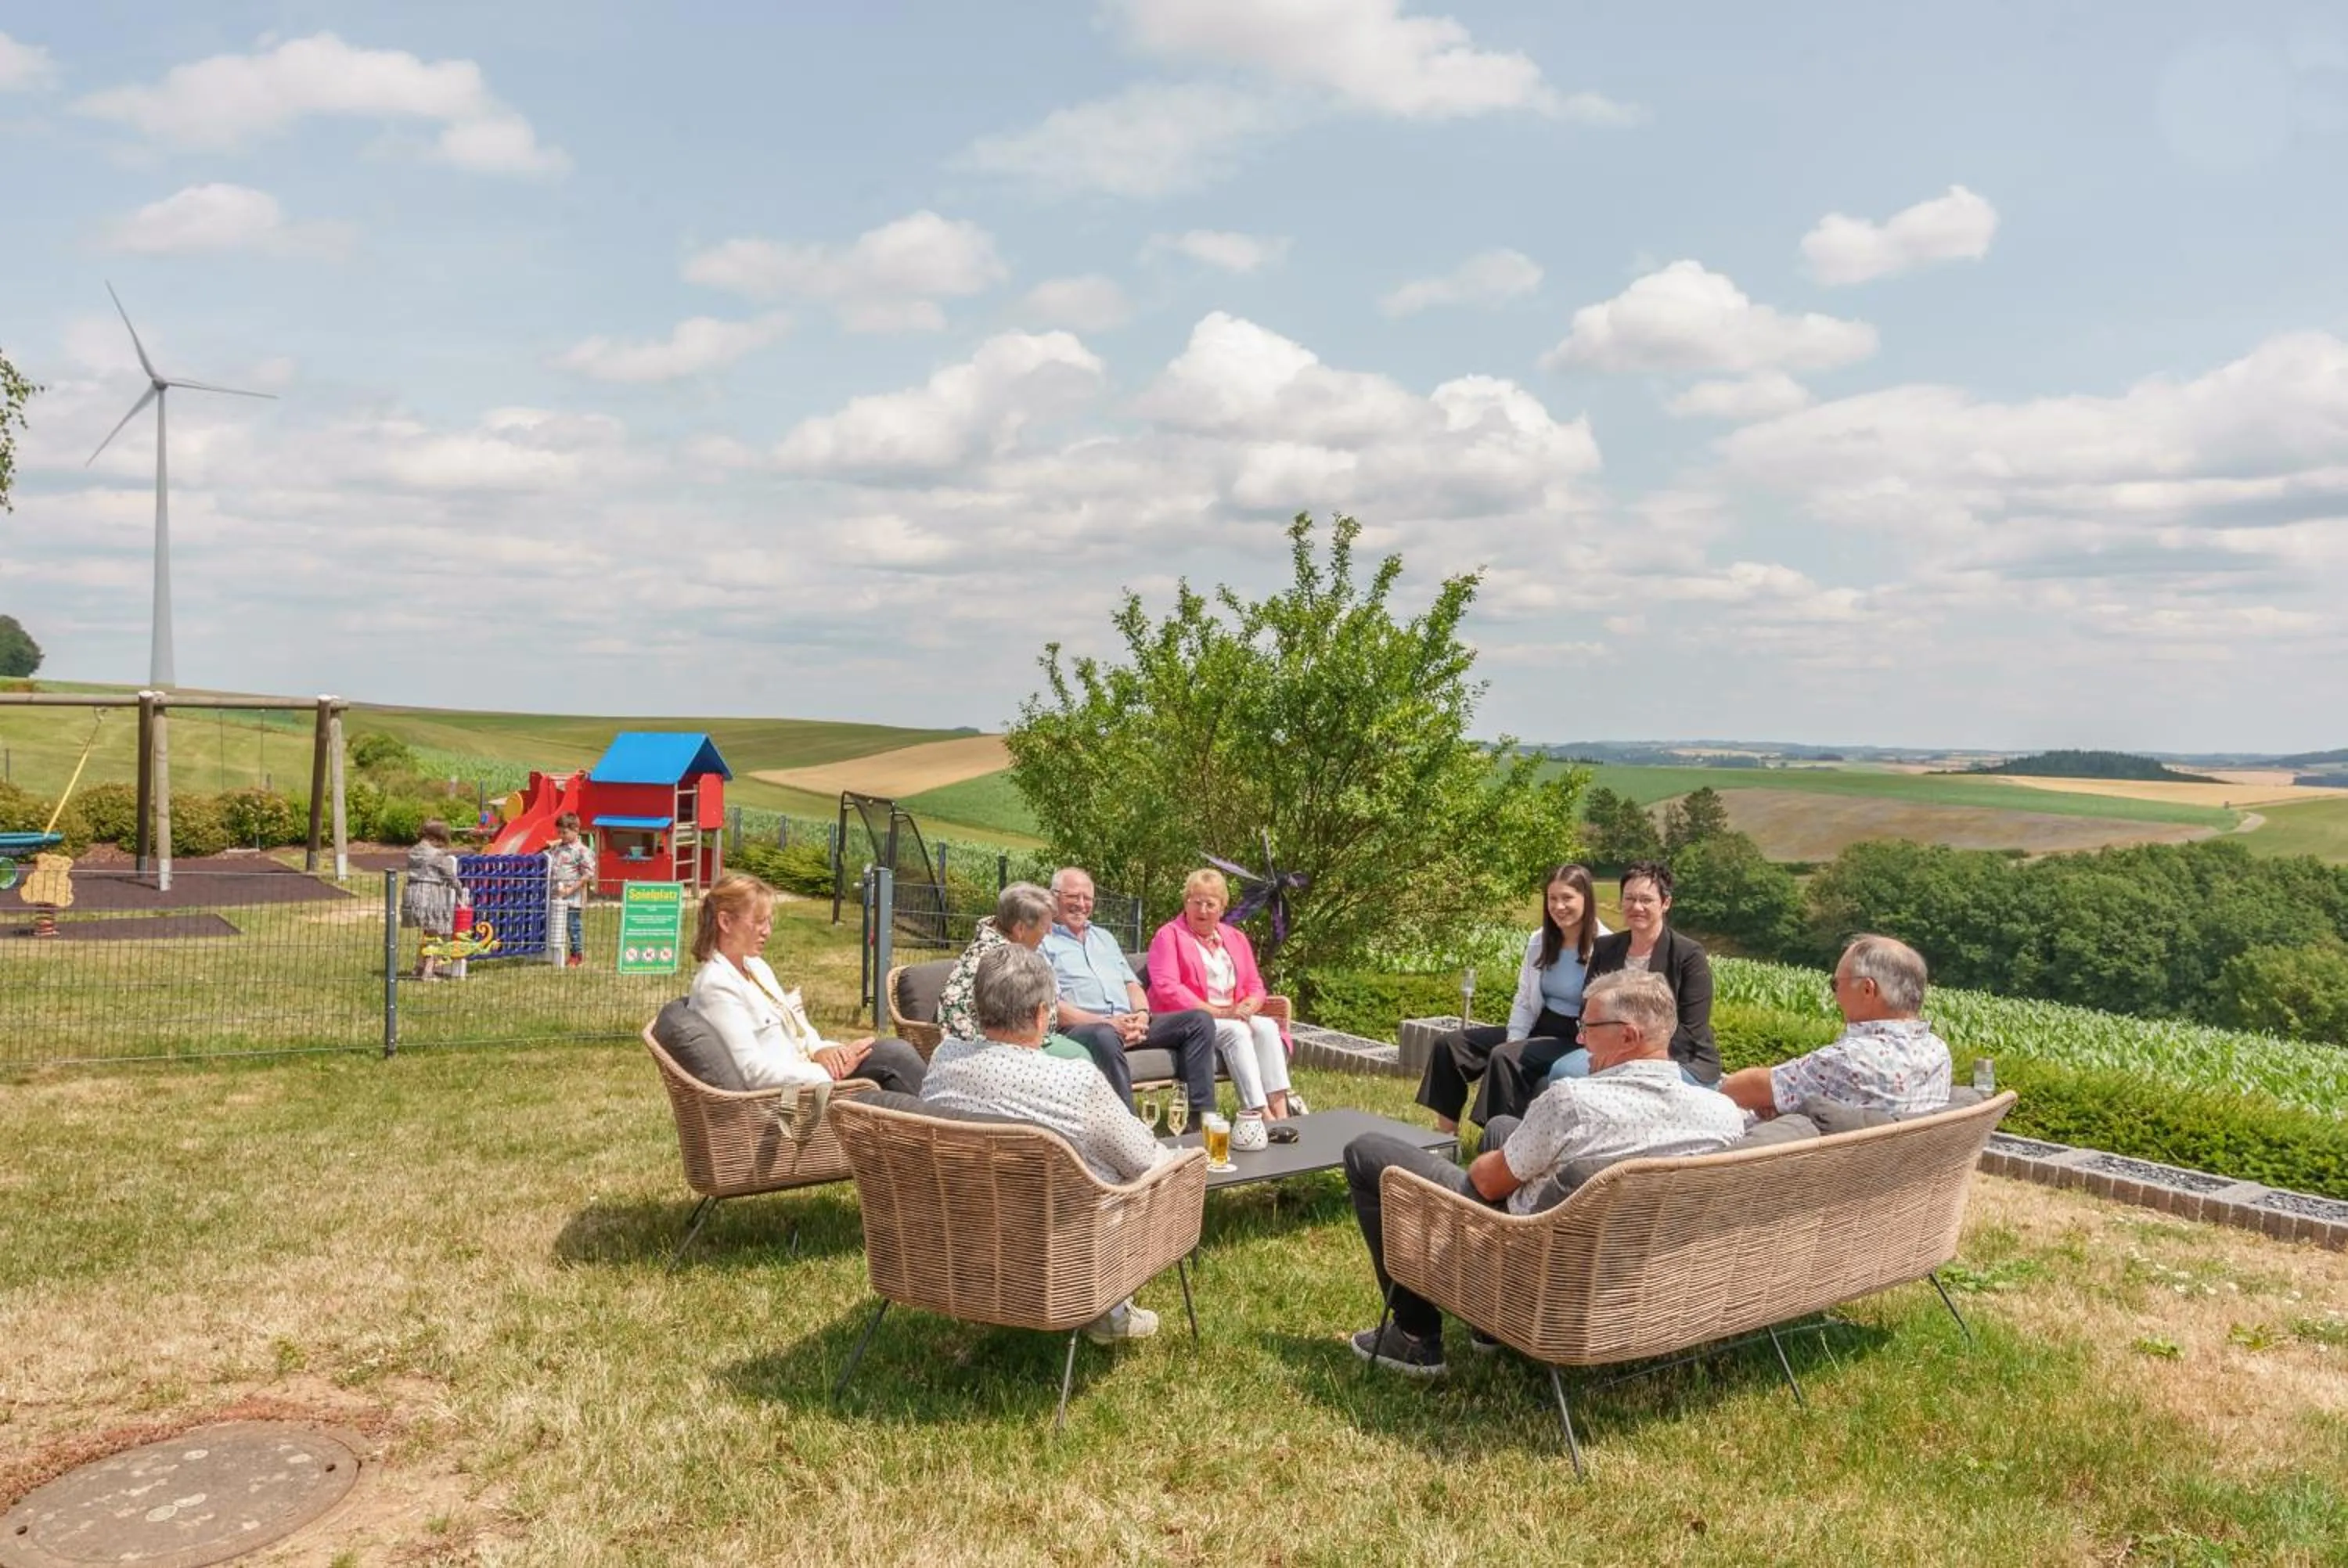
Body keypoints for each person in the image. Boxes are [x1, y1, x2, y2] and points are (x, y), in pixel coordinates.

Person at [1345, 970, 1746, 1376]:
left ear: (1628, 1037)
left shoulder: (1573, 1102)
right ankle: (1489, 1330)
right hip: (1637, 1263)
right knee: (1502, 1126)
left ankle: (1415, 1337)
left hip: (1540, 1266)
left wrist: (1495, 1165)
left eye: (1587, 1027)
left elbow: (1487, 1181)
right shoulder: (1722, 1114)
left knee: (1367, 1152)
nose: (1579, 1039)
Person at [924, 944, 1168, 1344]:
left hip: (962, 1238)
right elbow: (1141, 1159)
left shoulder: (944, 1059)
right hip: (1060, 1255)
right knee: (1155, 1164)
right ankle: (1110, 1311)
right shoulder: (1074, 1080)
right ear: (1042, 1013)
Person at [687, 872, 925, 1095]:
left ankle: (949, 1123)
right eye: (759, 921)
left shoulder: (755, 967)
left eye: (769, 922)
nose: (767, 931)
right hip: (796, 1096)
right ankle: (952, 1126)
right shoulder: (716, 987)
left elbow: (794, 1025)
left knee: (894, 1061)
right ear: (726, 922)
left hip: (809, 1074)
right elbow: (753, 1072)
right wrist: (828, 1073)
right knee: (894, 1058)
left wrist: (820, 1050)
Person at [1416, 864, 1604, 1134]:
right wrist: (1516, 1039)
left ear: (1586, 898)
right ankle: (1446, 1138)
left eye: (1567, 898)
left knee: (1505, 1057)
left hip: (1576, 1037)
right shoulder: (1539, 941)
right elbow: (1525, 999)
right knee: (1450, 1045)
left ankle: (1498, 1144)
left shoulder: (1606, 945)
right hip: (1542, 1025)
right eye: (1552, 899)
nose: (1559, 906)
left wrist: (1513, 1050)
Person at [1518, 860, 1719, 1111]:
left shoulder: (1688, 955)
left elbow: (1690, 1029)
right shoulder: (1606, 948)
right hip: (1610, 1050)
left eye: (1646, 900)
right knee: (1563, 1070)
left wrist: (1628, 1057)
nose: (1637, 907)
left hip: (1675, 1059)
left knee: (1591, 1077)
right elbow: (1587, 1007)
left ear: (1665, 903)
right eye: (1629, 899)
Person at [1039, 867, 1217, 1116]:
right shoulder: (1043, 941)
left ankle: (1202, 1119)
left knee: (1199, 1021)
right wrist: (1109, 1023)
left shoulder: (1105, 938)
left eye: (1087, 898)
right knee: (1105, 1036)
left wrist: (1143, 1015)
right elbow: (1051, 1005)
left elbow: (1131, 984)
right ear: (1053, 897)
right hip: (1085, 1028)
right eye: (1073, 897)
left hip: (1129, 1024)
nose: (1081, 904)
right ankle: (1129, 1129)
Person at [1721, 933, 1953, 1119]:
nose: (1835, 996)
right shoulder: (1938, 1052)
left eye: (1836, 984)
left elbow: (1741, 1089)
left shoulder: (1850, 1059)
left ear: (1867, 990)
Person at [1147, 868, 1301, 1126]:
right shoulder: (1169, 935)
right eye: (1196, 903)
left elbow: (1254, 983)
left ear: (1222, 908)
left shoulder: (1235, 938)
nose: (1202, 910)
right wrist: (1218, 1012)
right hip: (1191, 1019)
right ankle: (1257, 1115)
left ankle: (1281, 1112)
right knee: (1237, 1032)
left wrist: (1252, 1003)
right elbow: (1167, 988)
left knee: (1266, 1027)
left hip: (1233, 1013)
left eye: (1210, 904)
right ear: (1186, 903)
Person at [937, 882, 1058, 1043]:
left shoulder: (986, 948)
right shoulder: (1008, 965)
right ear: (1020, 929)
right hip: (1006, 1050)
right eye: (1045, 926)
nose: (1049, 932)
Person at [402, 818, 466, 982]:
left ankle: (419, 966)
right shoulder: (436, 854)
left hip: (412, 893)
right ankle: (428, 972)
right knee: (434, 933)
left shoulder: (413, 851)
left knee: (427, 932)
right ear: (438, 836)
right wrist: (461, 892)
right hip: (430, 894)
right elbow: (450, 876)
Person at [546, 812, 594, 969]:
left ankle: (576, 954)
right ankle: (554, 953)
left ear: (576, 830)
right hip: (556, 895)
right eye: (559, 832)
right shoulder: (558, 848)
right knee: (555, 925)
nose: (561, 835)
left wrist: (570, 889)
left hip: (572, 898)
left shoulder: (581, 851)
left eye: (564, 832)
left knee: (573, 926)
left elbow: (587, 874)